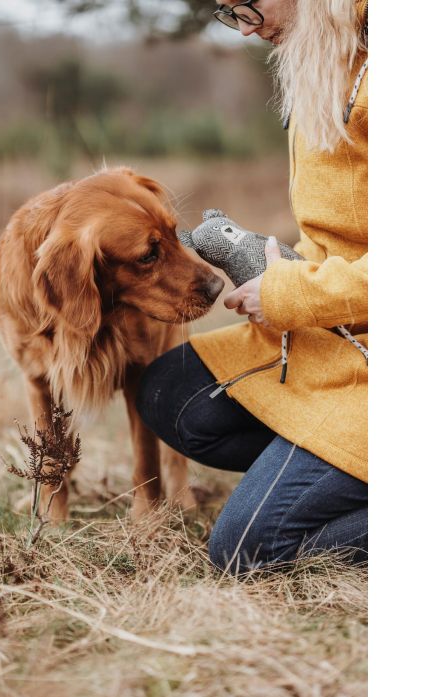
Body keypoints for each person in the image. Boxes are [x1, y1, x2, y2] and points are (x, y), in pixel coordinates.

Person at [136, 0, 368, 573]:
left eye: (248, 5)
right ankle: (327, 464)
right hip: (341, 334)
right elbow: (349, 232)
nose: (244, 27)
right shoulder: (331, 60)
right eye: (225, 12)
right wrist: (270, 262)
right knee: (171, 393)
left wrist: (291, 294)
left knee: (245, 548)